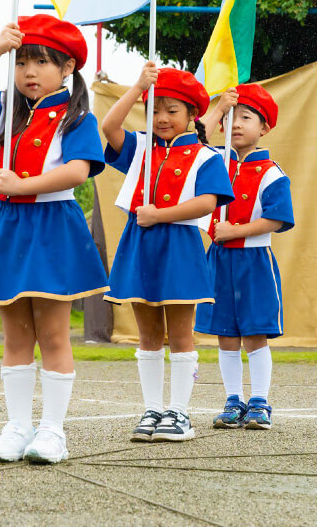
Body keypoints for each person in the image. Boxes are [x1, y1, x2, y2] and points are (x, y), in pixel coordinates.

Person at [0, 15, 108, 465]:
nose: (29, 71)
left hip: (52, 224)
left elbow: (78, 171)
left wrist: (22, 184)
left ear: (67, 68)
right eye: (22, 62)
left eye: (41, 61)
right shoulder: (6, 109)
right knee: (15, 334)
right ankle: (17, 427)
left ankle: (53, 431)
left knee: (54, 333)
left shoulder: (78, 116)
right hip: (9, 226)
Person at [101, 63, 233, 443]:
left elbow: (207, 203)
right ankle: (152, 409)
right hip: (139, 245)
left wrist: (158, 214)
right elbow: (109, 128)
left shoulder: (206, 156)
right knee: (147, 334)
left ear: (193, 115)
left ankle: (180, 413)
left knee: (180, 334)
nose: (160, 118)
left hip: (179, 247)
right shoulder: (140, 146)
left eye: (171, 110)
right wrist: (137, 86)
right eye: (154, 109)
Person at [195, 85, 294, 430]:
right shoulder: (212, 163)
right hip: (219, 261)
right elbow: (196, 137)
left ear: (264, 128)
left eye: (246, 117)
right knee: (225, 334)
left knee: (255, 334)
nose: (235, 124)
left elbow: (278, 218)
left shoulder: (271, 172)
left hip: (254, 262)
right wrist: (219, 107)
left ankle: (260, 402)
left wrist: (235, 231)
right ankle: (233, 400)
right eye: (231, 118)